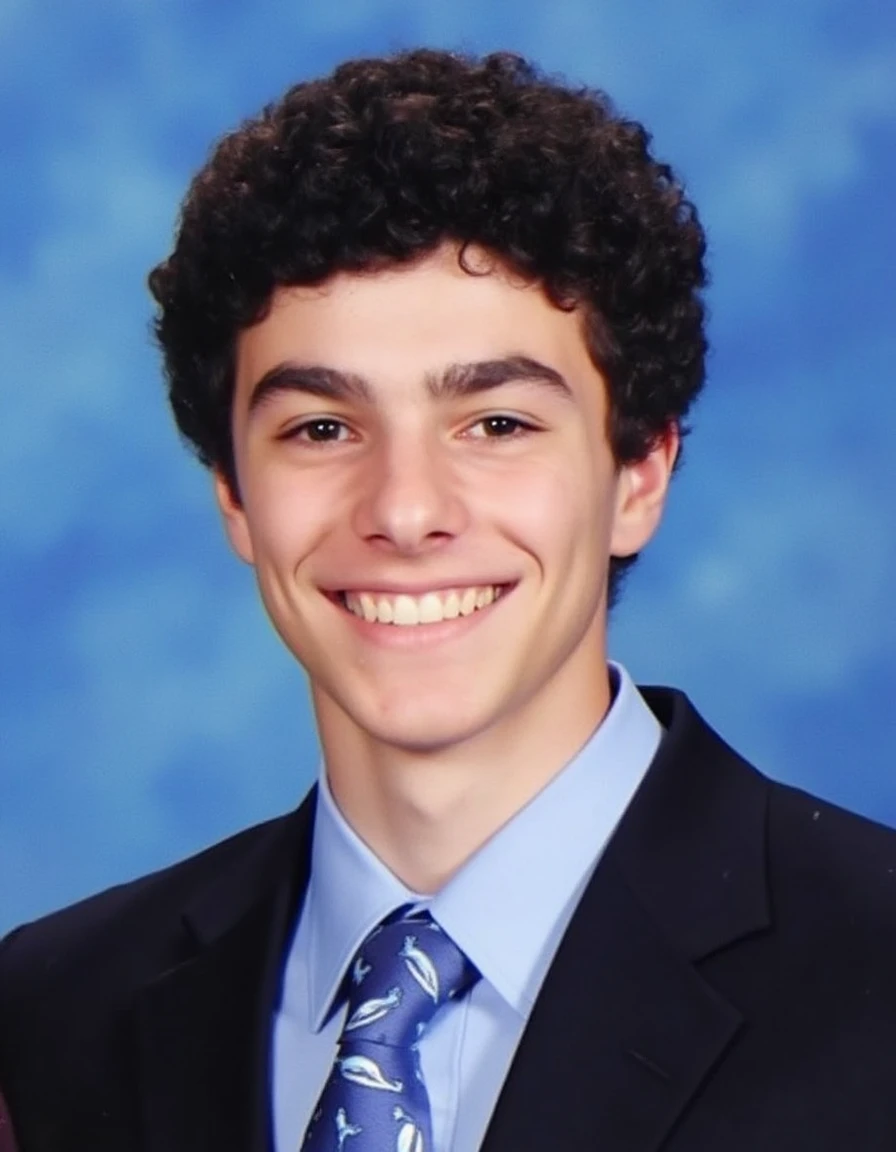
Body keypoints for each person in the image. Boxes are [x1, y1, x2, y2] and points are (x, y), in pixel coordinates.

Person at [2, 47, 896, 1152]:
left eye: (498, 424)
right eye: (321, 429)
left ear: (638, 476)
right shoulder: (52, 1013)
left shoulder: (874, 977)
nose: (406, 509)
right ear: (234, 495)